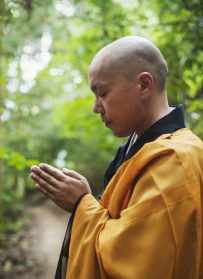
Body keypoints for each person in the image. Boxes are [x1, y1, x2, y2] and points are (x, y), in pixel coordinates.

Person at [30, 36, 203, 279]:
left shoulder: (175, 159)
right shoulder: (136, 147)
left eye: (102, 93)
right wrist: (87, 199)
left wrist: (81, 203)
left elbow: (137, 262)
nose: (95, 107)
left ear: (143, 85)